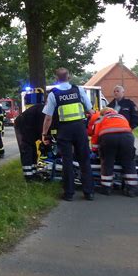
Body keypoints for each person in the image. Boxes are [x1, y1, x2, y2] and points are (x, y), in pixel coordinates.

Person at [42, 68, 95, 201]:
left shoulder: (53, 94)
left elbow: (48, 118)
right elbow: (91, 111)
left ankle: (69, 193)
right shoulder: (78, 90)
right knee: (84, 160)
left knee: (67, 161)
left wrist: (44, 134)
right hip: (79, 129)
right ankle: (89, 192)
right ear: (69, 77)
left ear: (56, 78)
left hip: (64, 130)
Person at [88, 108, 138, 197]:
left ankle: (106, 188)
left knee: (107, 162)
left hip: (108, 138)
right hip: (127, 138)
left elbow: (95, 135)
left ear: (102, 113)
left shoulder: (101, 118)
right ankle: (132, 189)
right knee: (129, 162)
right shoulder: (122, 117)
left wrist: (95, 151)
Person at [14, 103, 47, 181]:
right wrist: (44, 139)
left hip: (30, 127)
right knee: (27, 149)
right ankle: (28, 176)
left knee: (33, 150)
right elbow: (41, 129)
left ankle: (34, 173)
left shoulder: (45, 110)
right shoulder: (44, 112)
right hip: (23, 125)